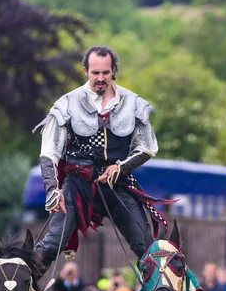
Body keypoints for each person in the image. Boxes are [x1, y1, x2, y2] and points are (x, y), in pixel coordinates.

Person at [33, 45, 172, 270]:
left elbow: (147, 147)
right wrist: (52, 189)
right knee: (50, 246)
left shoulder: (132, 103)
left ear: (113, 71)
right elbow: (49, 151)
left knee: (147, 249)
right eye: (95, 72)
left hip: (117, 184)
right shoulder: (67, 103)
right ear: (85, 71)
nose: (100, 78)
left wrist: (120, 168)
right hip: (78, 183)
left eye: (105, 73)